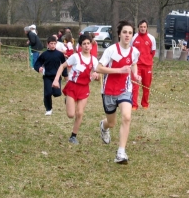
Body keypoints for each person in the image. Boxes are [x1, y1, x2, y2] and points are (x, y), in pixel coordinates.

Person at [97, 20, 141, 164]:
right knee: (112, 123)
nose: (127, 35)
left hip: (125, 90)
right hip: (109, 91)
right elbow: (98, 68)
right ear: (119, 34)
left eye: (130, 33)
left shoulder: (135, 51)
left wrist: (135, 74)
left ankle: (121, 153)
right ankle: (103, 127)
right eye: (125, 32)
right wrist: (119, 70)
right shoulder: (111, 50)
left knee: (127, 117)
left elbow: (133, 64)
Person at [52, 34, 99, 144]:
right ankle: (68, 101)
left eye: (88, 44)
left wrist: (96, 76)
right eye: (84, 44)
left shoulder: (94, 60)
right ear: (80, 46)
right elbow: (62, 66)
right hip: (73, 86)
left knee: (80, 113)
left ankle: (73, 136)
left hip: (84, 88)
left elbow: (98, 75)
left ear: (91, 45)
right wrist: (56, 79)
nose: (87, 46)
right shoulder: (76, 57)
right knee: (71, 115)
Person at [34, 36, 68, 116]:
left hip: (57, 77)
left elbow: (64, 65)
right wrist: (39, 68)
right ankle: (48, 109)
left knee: (57, 93)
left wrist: (65, 75)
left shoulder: (60, 54)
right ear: (48, 44)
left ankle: (54, 91)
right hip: (47, 77)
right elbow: (37, 63)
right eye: (51, 44)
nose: (53, 45)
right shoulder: (44, 54)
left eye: (54, 43)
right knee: (47, 93)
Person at [131, 20, 156, 111]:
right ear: (138, 27)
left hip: (147, 66)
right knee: (135, 87)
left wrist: (147, 60)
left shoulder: (151, 38)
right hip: (136, 66)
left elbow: (153, 52)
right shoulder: (134, 38)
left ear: (147, 28)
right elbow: (131, 51)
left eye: (144, 27)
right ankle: (134, 105)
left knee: (146, 86)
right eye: (141, 27)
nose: (142, 28)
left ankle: (145, 104)